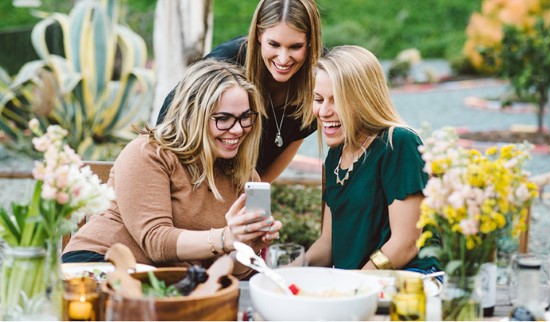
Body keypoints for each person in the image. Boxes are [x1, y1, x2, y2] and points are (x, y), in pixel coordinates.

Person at [63, 59, 282, 279]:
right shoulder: (149, 152)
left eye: (245, 117)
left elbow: (229, 270)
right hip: (99, 265)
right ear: (192, 116)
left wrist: (248, 245)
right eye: (223, 119)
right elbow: (156, 241)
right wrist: (226, 237)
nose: (237, 129)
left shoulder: (244, 176)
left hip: (172, 284)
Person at [305, 45, 441, 274]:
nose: (323, 111)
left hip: (408, 282)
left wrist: (352, 287)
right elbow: (328, 244)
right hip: (359, 286)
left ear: (365, 99)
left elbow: (405, 244)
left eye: (336, 100)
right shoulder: (335, 156)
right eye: (319, 99)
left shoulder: (398, 143)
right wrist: (287, 271)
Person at [156, 0, 323, 183]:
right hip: (195, 177)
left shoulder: (318, 82)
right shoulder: (226, 61)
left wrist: (252, 196)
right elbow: (168, 126)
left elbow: (288, 145)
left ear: (310, 42)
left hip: (245, 185)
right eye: (274, 44)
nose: (283, 59)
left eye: (295, 46)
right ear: (259, 34)